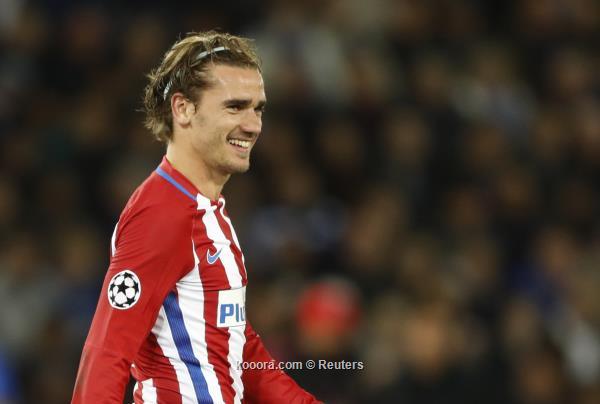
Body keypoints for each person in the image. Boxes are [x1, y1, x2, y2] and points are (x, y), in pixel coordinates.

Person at [71, 31, 321, 404]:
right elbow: (107, 350)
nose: (253, 125)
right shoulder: (161, 214)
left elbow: (236, 345)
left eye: (258, 109)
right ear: (183, 109)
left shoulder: (207, 210)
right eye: (235, 107)